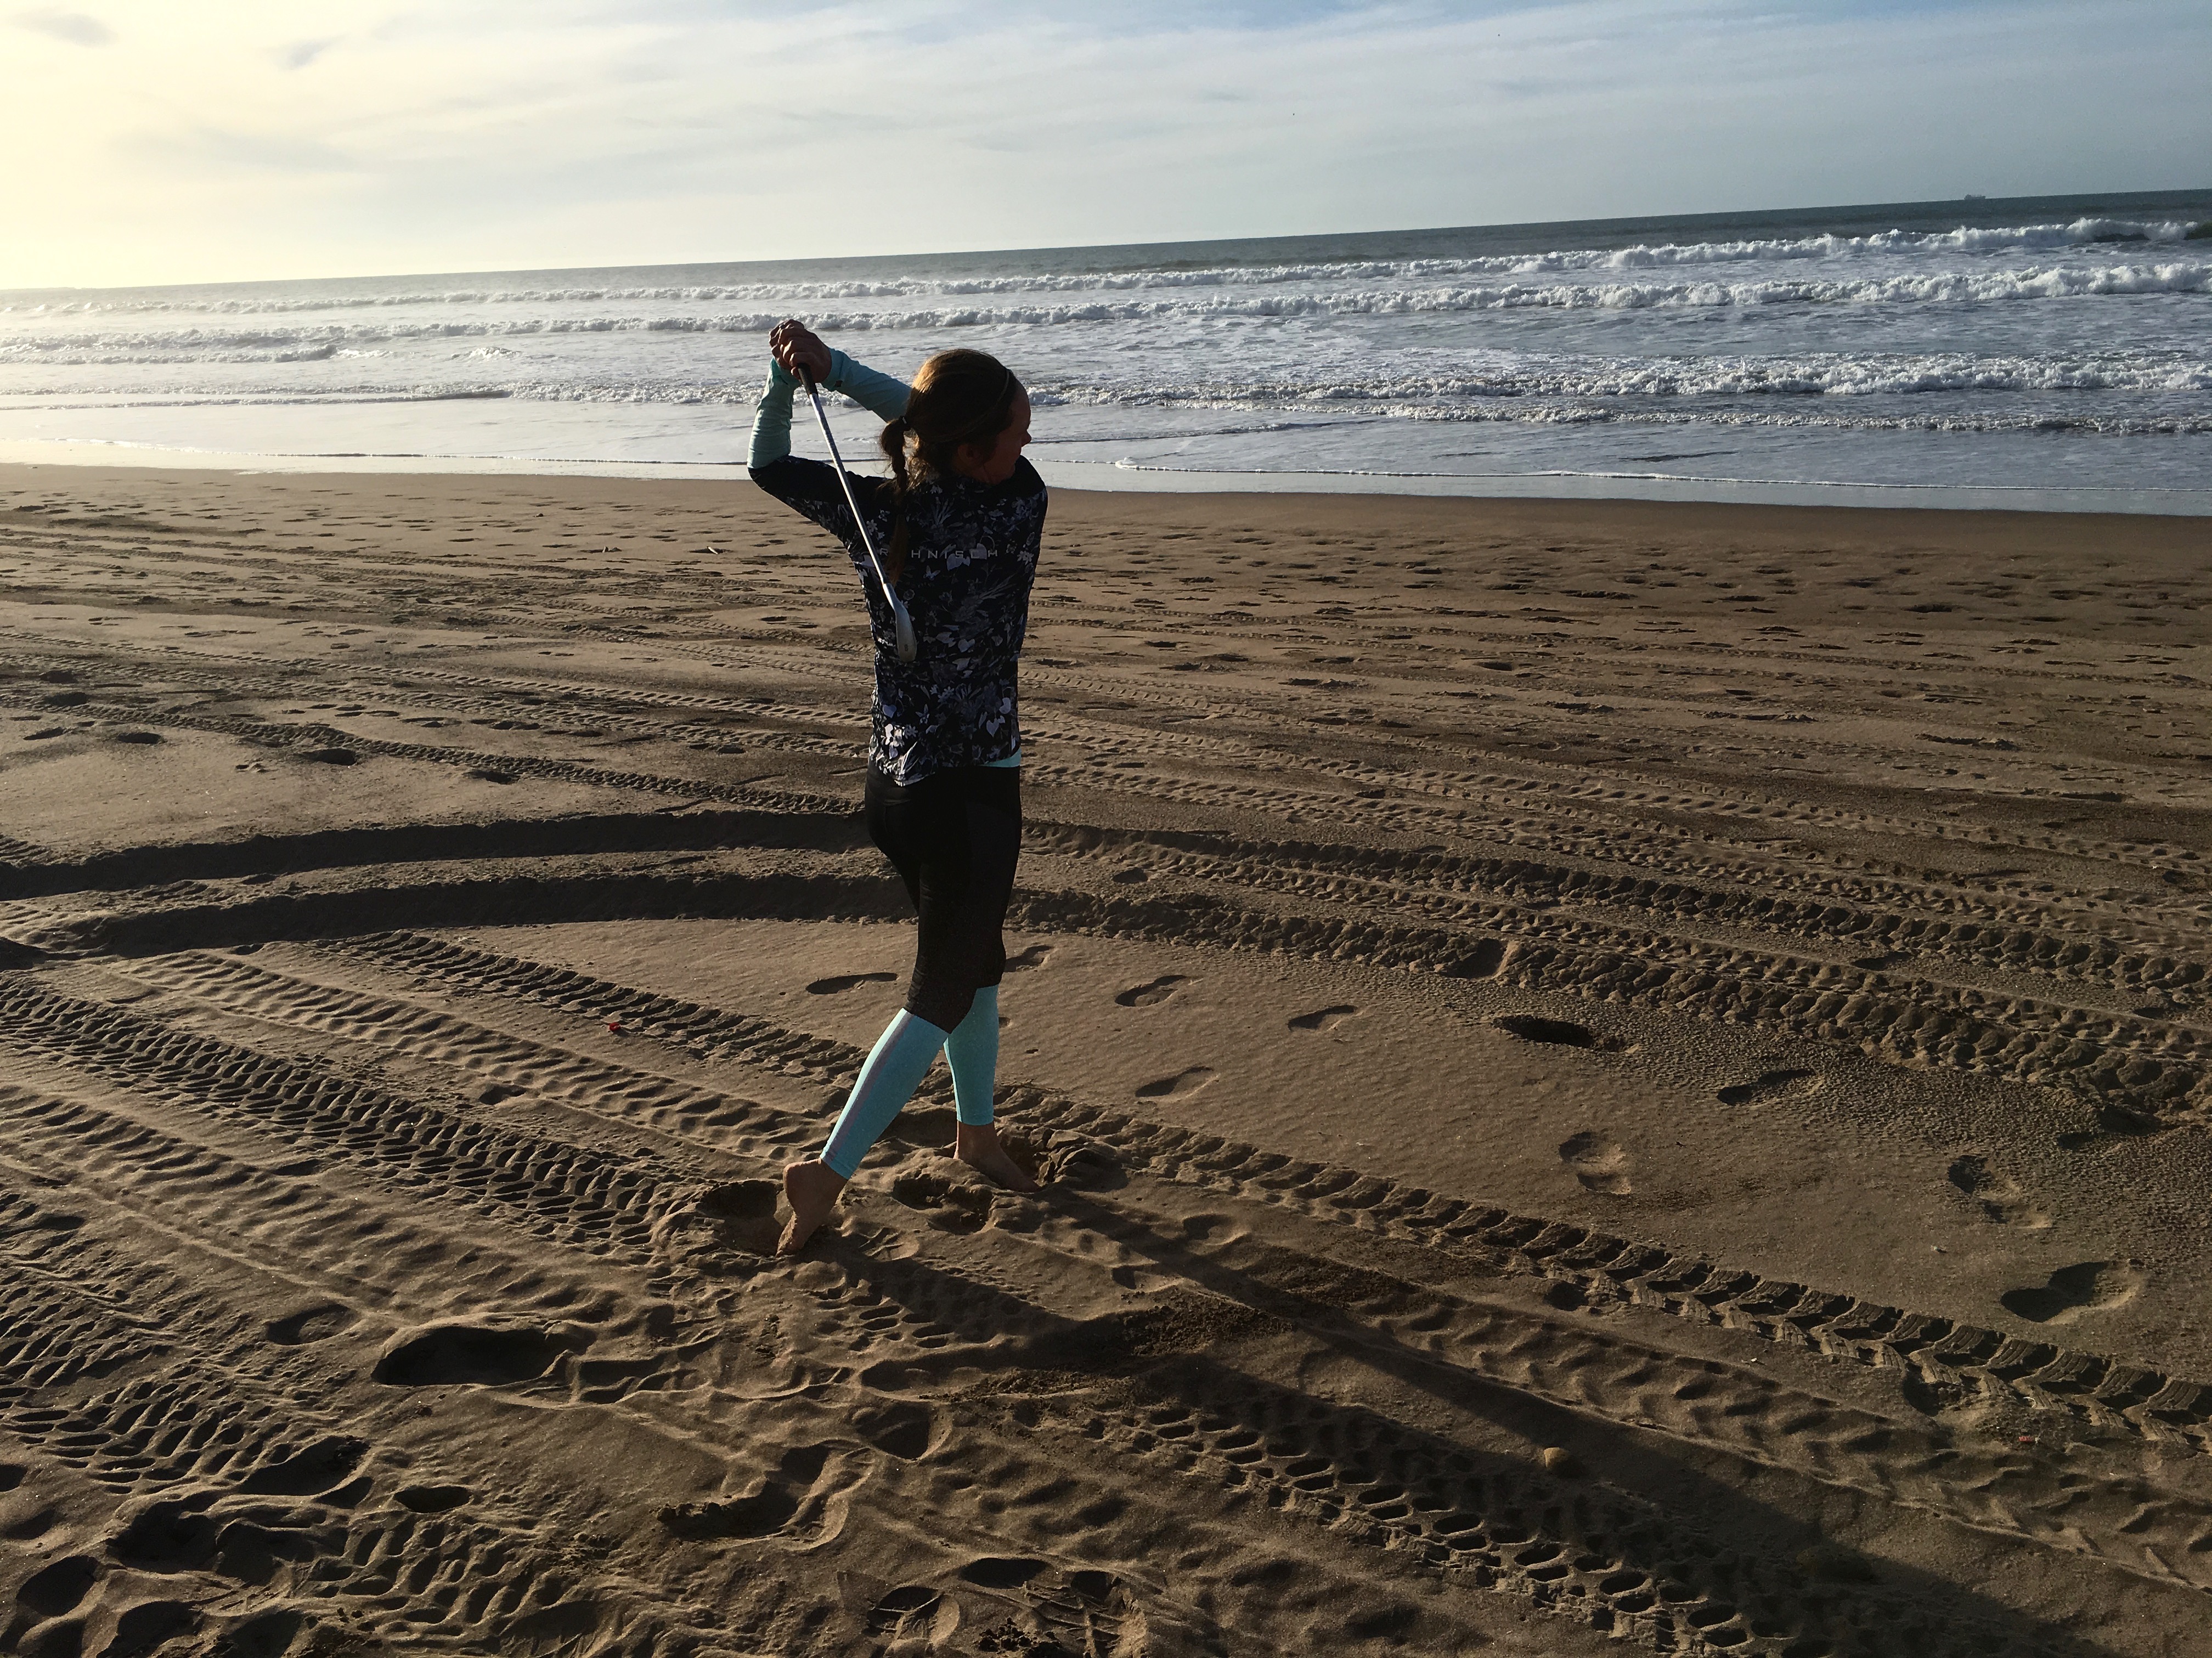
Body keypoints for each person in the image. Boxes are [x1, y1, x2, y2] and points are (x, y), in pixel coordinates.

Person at [748, 318, 1045, 1254]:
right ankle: (823, 1175)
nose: (1028, 447)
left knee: (977, 962)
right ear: (972, 450)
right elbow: (921, 418)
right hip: (971, 797)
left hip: (896, 790)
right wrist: (839, 372)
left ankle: (977, 1134)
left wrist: (794, 382)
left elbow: (767, 463)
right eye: (1015, 433)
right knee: (941, 992)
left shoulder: (878, 513)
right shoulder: (1015, 508)